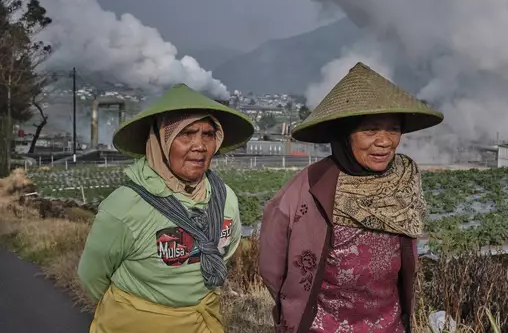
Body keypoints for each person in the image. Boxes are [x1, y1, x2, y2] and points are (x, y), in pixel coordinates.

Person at [259, 62, 444, 333]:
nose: (384, 141)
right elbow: (272, 269)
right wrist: (297, 304)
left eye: (393, 129)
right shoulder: (308, 188)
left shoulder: (404, 181)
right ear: (344, 135)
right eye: (370, 130)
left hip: (389, 326)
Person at [77, 83, 255, 333]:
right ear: (160, 142)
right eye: (186, 134)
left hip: (203, 322)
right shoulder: (125, 206)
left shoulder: (225, 200)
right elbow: (91, 276)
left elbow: (222, 253)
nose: (199, 146)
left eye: (207, 134)